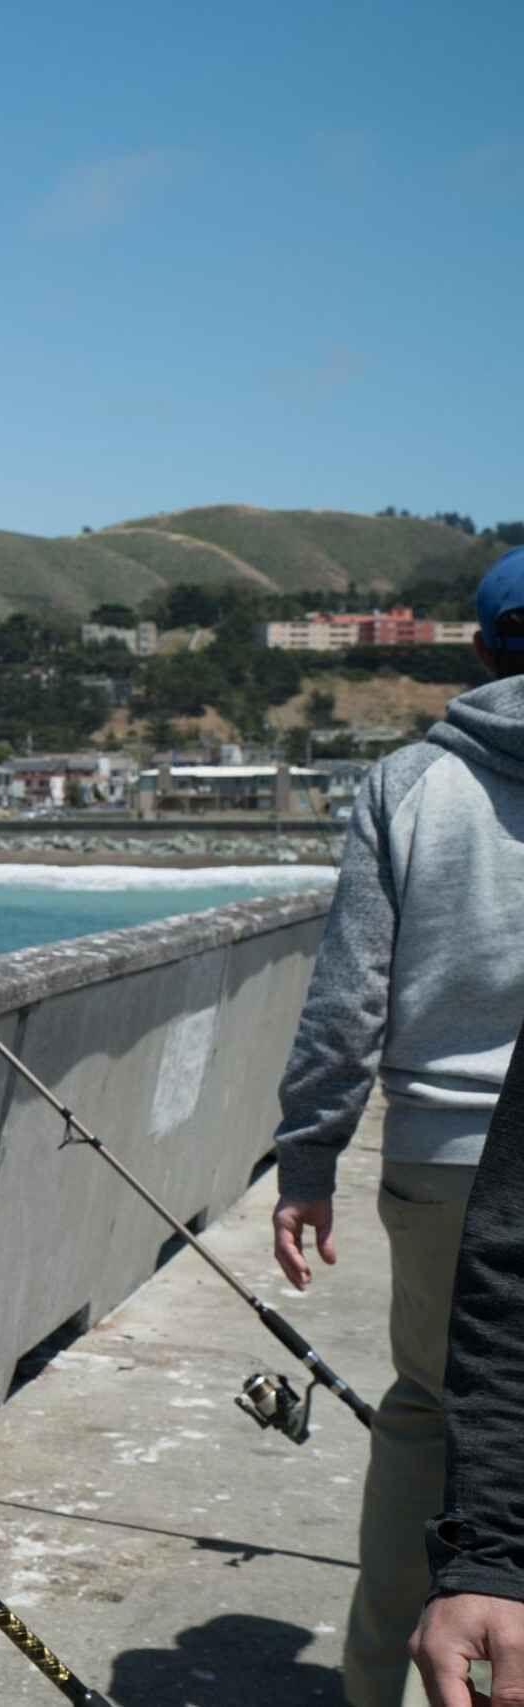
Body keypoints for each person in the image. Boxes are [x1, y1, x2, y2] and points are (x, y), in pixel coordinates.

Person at [271, 544, 524, 1707]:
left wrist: (309, 1157)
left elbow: (346, 999)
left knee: (428, 1419)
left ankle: (381, 1686)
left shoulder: (413, 781)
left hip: (442, 1158)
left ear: (477, 650)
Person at [412, 1004, 524, 1705]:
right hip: (460, 1153)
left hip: (422, 1141)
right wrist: (490, 1557)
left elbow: (348, 999)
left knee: (416, 1420)